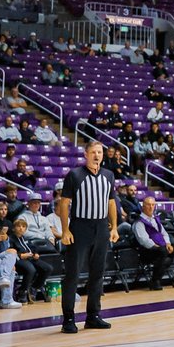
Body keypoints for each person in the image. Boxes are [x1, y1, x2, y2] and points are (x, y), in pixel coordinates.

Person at [57, 141, 119, 333]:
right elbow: (65, 203)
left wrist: (114, 227)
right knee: (73, 274)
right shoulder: (75, 175)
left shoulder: (109, 175)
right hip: (79, 227)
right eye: (93, 152)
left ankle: (93, 316)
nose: (97, 155)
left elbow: (111, 203)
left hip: (101, 227)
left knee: (97, 274)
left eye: (99, 152)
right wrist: (66, 230)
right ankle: (68, 318)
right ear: (86, 154)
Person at [133, 196, 174, 289]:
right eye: (148, 205)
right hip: (147, 251)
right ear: (143, 206)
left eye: (153, 205)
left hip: (162, 247)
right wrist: (156, 246)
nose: (151, 207)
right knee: (162, 251)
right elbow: (143, 240)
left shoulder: (155, 219)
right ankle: (155, 281)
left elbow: (164, 233)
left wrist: (168, 244)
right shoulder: (139, 222)